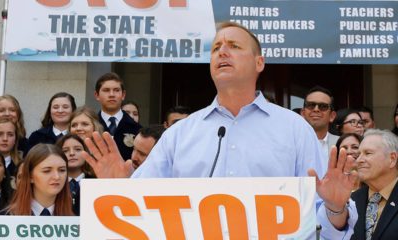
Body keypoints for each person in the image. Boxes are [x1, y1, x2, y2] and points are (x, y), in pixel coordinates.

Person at [82, 22, 359, 238]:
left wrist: (336, 207)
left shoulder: (294, 129)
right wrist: (117, 190)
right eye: (216, 48)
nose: (222, 51)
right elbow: (139, 213)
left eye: (234, 46)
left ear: (259, 63)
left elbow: (328, 225)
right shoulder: (180, 134)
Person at [350, 129, 398, 239]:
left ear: (392, 159)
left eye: (368, 153)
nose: (359, 160)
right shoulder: (352, 200)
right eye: (358, 155)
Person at [4, 144, 73, 216]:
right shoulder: (4, 219)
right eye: (47, 171)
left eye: (62, 170)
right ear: (30, 176)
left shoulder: (77, 221)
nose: (57, 176)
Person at [95, 72, 142, 160]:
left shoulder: (138, 129)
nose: (112, 94)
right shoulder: (90, 125)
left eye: (116, 90)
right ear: (97, 95)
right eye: (106, 90)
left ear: (123, 95)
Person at [56, 134, 94, 215]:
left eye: (78, 149)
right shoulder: (54, 183)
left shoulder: (96, 182)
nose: (72, 153)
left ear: (86, 152)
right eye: (65, 151)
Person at [301, 86, 339, 163]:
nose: (316, 109)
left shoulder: (342, 143)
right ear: (303, 114)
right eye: (311, 105)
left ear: (332, 116)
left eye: (323, 106)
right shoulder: (289, 144)